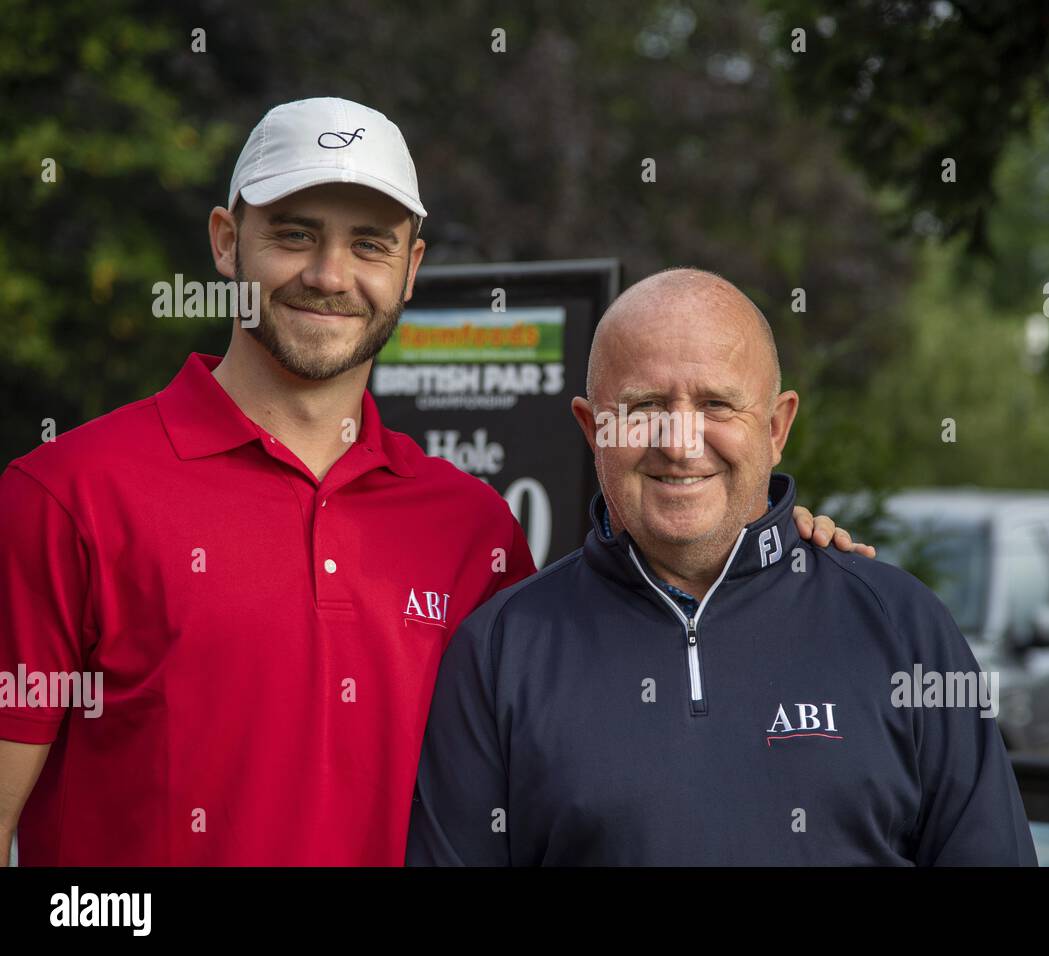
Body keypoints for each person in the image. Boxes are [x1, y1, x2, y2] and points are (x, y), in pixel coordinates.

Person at [0, 99, 867, 865]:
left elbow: (622, 674)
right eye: (295, 233)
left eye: (368, 245)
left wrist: (766, 547)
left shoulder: (474, 531)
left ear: (410, 269)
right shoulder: (61, 497)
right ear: (228, 244)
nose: (330, 275)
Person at [407, 267, 1038, 866]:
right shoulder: (498, 653)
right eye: (645, 405)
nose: (680, 443)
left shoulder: (904, 629)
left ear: (776, 426)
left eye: (715, 405)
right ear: (592, 427)